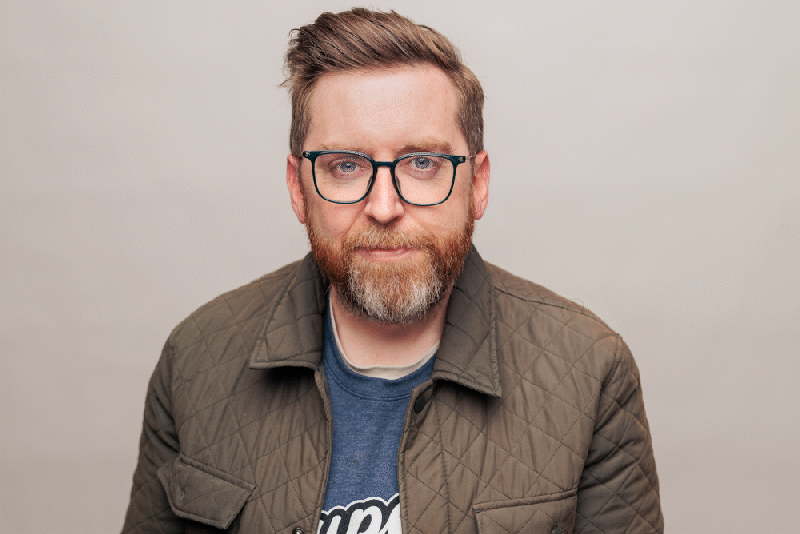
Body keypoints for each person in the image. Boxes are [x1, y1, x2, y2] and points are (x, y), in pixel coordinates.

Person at [121, 8, 663, 534]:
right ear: (297, 187)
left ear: (477, 184)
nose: (384, 206)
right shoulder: (194, 360)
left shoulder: (590, 371)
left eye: (423, 163)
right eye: (346, 165)